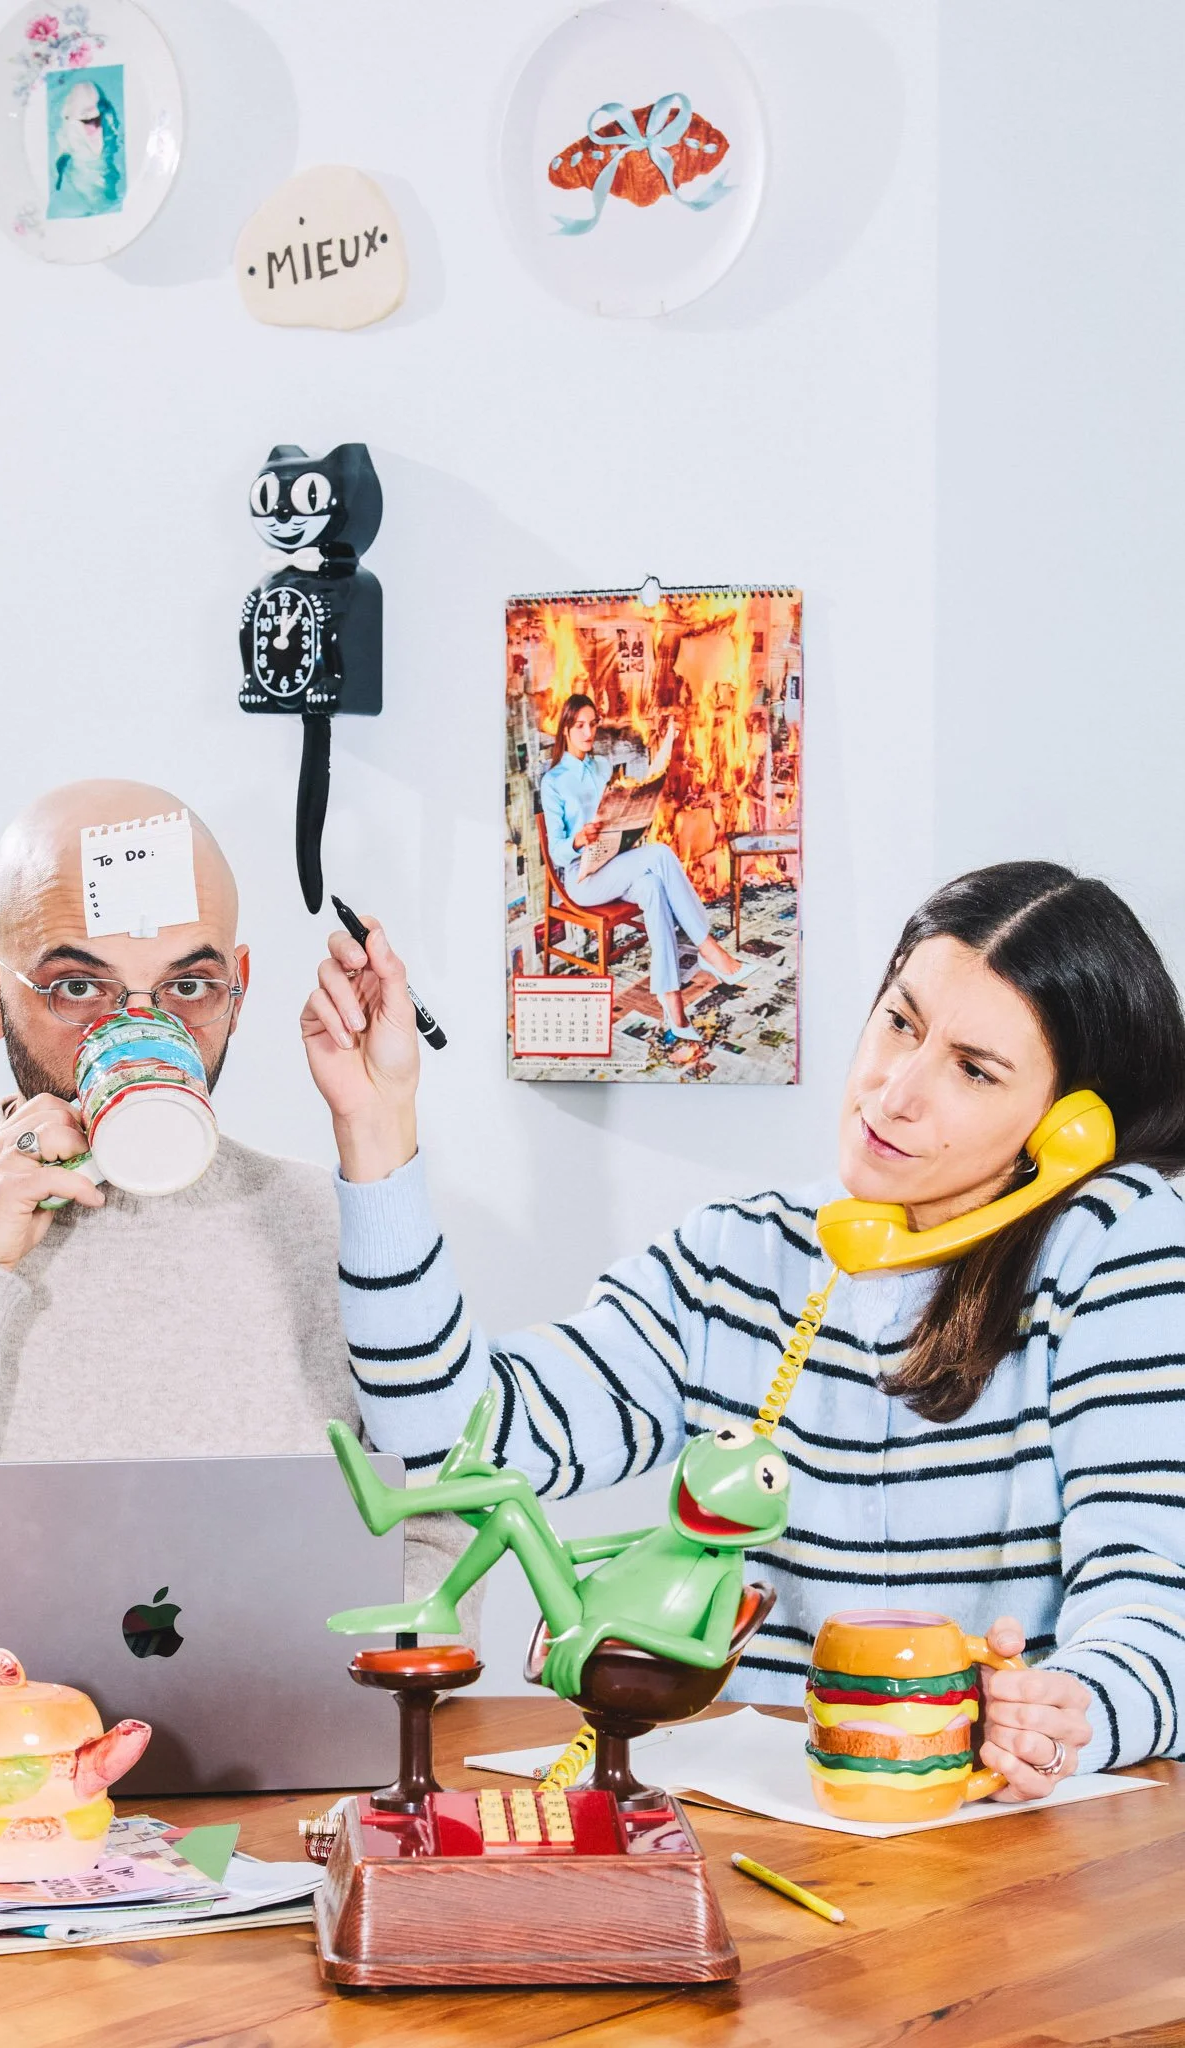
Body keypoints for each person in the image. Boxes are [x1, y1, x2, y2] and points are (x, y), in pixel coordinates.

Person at [302, 861, 1185, 1797]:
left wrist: (1064, 1712)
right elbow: (448, 1446)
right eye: (900, 1023)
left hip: (997, 1855)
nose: (895, 1092)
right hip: (765, 1840)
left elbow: (1159, 1611)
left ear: (1070, 1129)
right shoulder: (743, 1254)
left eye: (973, 1070)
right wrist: (376, 1124)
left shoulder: (1113, 1247)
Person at [0, 779, 465, 1745]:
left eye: (187, 987)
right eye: (78, 987)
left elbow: (447, 1534)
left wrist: (314, 1711)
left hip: (271, 1802)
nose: (138, 1029)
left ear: (238, 989)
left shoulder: (336, 1224)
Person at [539, 693, 741, 1040]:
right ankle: (707, 947)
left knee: (653, 887)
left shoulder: (602, 766)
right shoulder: (554, 781)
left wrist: (668, 743)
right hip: (582, 879)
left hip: (614, 862)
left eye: (593, 724)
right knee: (660, 854)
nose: (588, 732)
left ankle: (670, 997)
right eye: (580, 726)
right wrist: (579, 839)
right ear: (567, 729)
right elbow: (556, 853)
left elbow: (638, 788)